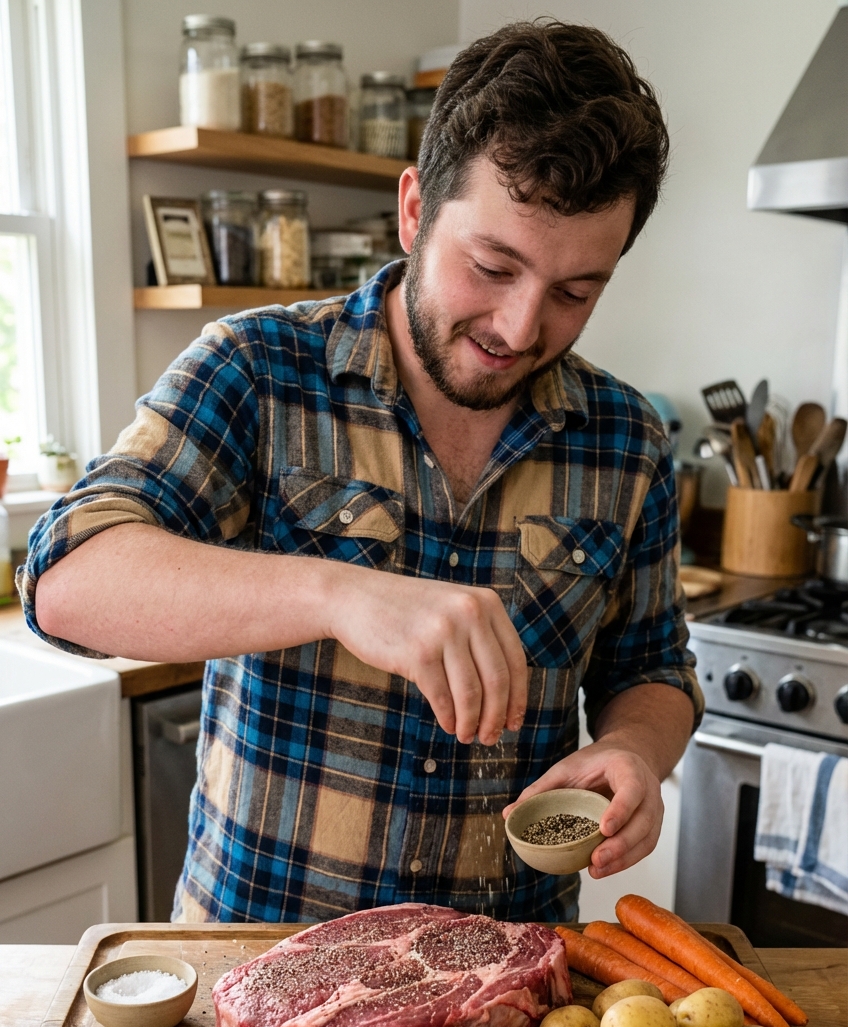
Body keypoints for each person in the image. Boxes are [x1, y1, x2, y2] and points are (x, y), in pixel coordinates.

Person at [22, 19, 703, 926]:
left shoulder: (628, 440)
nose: (520, 326)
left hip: (506, 993)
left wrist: (635, 752)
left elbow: (653, 667)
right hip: (259, 976)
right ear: (416, 209)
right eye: (491, 266)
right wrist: (342, 596)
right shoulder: (258, 368)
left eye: (576, 292)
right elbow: (66, 580)